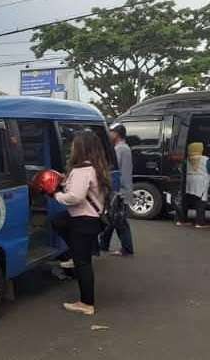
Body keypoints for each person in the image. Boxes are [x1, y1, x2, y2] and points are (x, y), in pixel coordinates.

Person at [52, 131, 111, 316]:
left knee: (83, 264)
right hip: (91, 220)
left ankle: (86, 303)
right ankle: (72, 255)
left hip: (83, 221)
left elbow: (75, 197)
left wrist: (56, 195)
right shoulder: (95, 168)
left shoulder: (81, 171)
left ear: (81, 149)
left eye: (74, 145)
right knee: (58, 221)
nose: (71, 148)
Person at [100, 123, 135, 256]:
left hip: (120, 191)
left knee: (119, 221)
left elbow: (115, 171)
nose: (108, 134)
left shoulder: (120, 149)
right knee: (111, 219)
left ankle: (127, 248)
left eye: (111, 132)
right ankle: (103, 244)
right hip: (121, 190)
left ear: (117, 134)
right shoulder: (122, 148)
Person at [176, 142, 210, 228]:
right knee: (201, 202)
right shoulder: (206, 159)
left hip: (189, 182)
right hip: (201, 182)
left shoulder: (187, 159)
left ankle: (181, 221)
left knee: (186, 201)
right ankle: (199, 223)